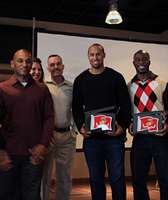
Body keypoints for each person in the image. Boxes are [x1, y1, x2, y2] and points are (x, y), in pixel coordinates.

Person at [72, 43, 131, 200]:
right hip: (92, 140)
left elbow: (125, 105)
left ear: (103, 55)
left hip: (114, 139)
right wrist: (81, 127)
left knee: (117, 178)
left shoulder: (116, 77)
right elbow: (76, 107)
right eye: (92, 55)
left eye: (98, 54)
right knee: (96, 179)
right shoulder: (81, 79)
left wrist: (122, 126)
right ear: (88, 57)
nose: (95, 57)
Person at [0, 49, 54, 200]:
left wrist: (43, 145)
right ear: (12, 64)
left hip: (33, 156)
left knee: (32, 196)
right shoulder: (1, 89)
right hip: (8, 155)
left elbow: (49, 118)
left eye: (28, 61)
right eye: (20, 61)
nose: (25, 64)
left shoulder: (42, 89)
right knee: (6, 195)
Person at [128, 50, 168, 200]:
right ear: (134, 63)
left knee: (165, 178)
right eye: (138, 60)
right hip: (140, 139)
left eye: (144, 59)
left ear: (149, 62)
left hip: (161, 138)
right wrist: (129, 126)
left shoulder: (163, 84)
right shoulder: (128, 86)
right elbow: (127, 113)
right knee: (138, 180)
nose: (141, 62)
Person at [42, 54, 76, 200]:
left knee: (64, 176)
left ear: (62, 66)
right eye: (52, 64)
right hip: (48, 137)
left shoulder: (71, 87)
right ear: (48, 67)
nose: (55, 67)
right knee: (45, 175)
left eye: (58, 64)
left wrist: (74, 130)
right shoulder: (43, 86)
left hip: (66, 138)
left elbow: (77, 109)